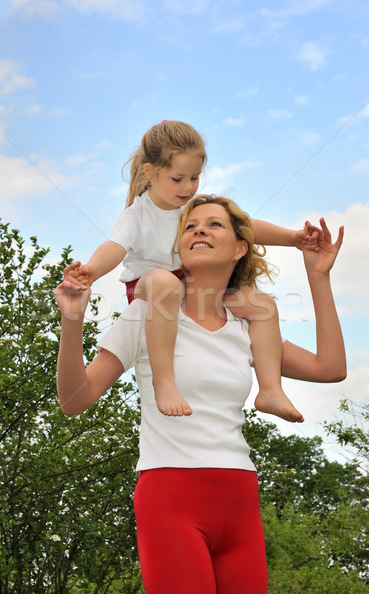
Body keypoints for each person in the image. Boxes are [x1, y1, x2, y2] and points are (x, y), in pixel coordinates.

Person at [55, 195, 346, 594]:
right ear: (179, 246)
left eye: (214, 225)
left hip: (239, 497)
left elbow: (330, 369)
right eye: (190, 227)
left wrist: (319, 275)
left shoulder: (248, 324)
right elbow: (73, 399)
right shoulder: (148, 311)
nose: (199, 231)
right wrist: (72, 321)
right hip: (170, 494)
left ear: (240, 246)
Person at [68, 120, 314, 423]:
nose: (187, 188)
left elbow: (246, 226)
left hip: (192, 286)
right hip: (149, 286)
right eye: (177, 179)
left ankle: (270, 390)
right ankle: (164, 381)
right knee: (165, 284)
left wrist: (293, 239)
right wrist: (92, 270)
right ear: (150, 173)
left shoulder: (190, 207)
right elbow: (115, 246)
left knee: (260, 304)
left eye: (195, 178)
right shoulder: (138, 214)